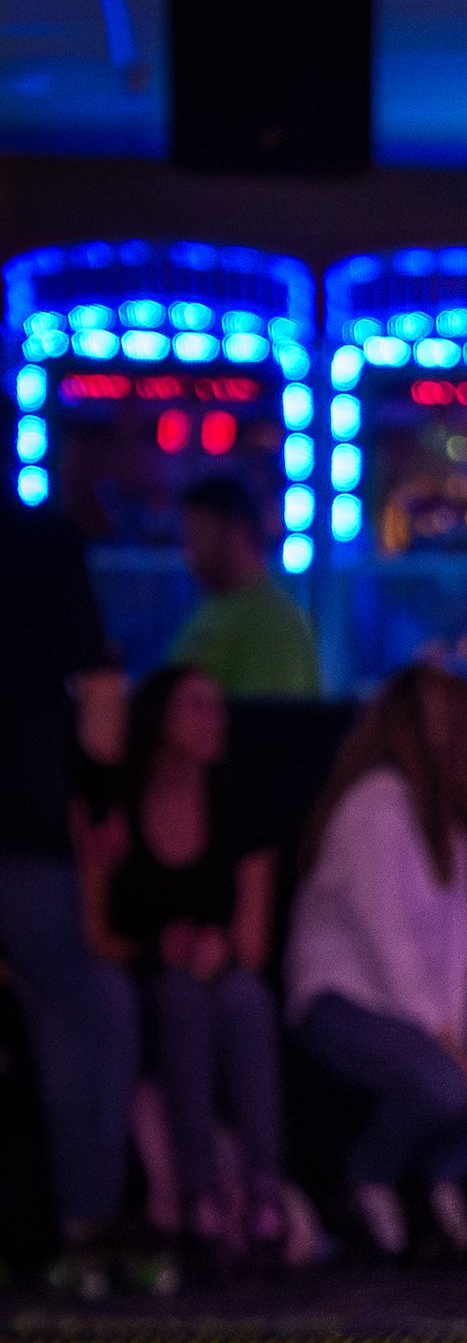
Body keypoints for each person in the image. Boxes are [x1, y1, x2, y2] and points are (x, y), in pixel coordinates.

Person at [285, 667, 467, 1260]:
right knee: (446, 1085)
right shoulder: (375, 806)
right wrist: (449, 1043)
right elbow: (389, 945)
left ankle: (440, 1172)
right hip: (342, 1001)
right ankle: (366, 1177)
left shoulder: (443, 819)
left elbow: (459, 925)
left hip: (422, 1001)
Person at [80, 663, 290, 1265]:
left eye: (215, 705)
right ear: (158, 717)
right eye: (194, 705)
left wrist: (216, 948)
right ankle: (198, 1192)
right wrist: (157, 949)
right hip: (145, 978)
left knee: (243, 997)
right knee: (180, 995)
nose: (210, 718)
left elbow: (253, 941)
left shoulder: (240, 801)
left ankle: (262, 1185)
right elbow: (95, 933)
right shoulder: (116, 803)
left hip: (222, 977)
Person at [0, 491, 143, 1298]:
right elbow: (98, 708)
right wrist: (102, 792)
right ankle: (81, 1220)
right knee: (71, 1015)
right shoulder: (45, 542)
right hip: (22, 821)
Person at [168, 477, 322, 700]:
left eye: (197, 535)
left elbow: (264, 725)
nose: (190, 552)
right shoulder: (215, 607)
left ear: (236, 533)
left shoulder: (270, 622)